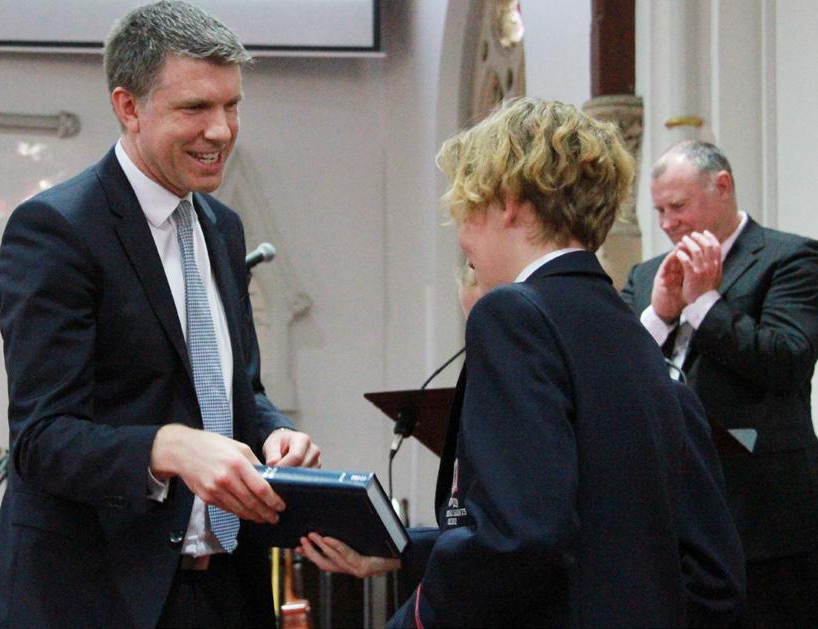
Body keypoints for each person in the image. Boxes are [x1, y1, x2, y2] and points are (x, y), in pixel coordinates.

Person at [298, 98, 744, 627]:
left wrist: (413, 619)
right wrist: (407, 550)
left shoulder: (514, 313)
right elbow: (702, 573)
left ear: (507, 202)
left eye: (465, 209)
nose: (463, 238)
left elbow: (521, 538)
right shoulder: (634, 337)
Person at [0, 2, 321, 627]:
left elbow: (237, 390)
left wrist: (276, 432)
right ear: (129, 107)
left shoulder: (222, 227)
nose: (220, 131)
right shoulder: (57, 229)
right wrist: (170, 447)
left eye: (232, 106)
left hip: (226, 589)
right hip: (97, 595)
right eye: (195, 108)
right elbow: (42, 439)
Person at [622, 140, 818, 627]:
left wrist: (705, 306)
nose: (668, 223)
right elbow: (616, 372)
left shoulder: (789, 258)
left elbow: (787, 361)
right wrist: (660, 317)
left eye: (678, 206)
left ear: (722, 187)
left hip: (762, 517)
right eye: (659, 211)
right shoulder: (645, 276)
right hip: (669, 516)